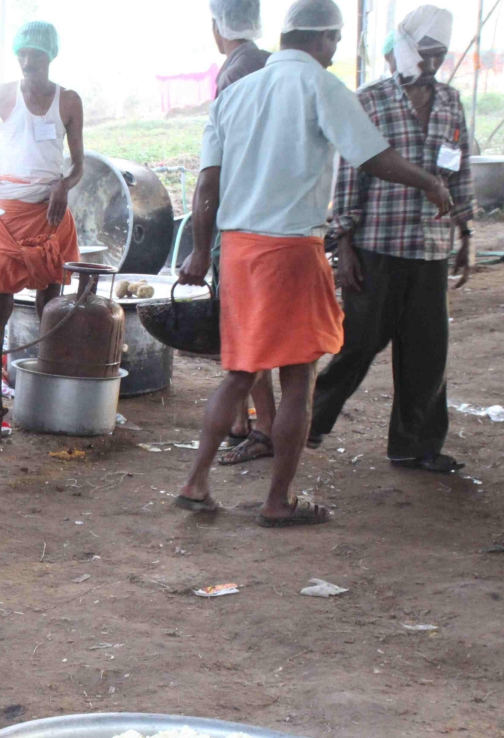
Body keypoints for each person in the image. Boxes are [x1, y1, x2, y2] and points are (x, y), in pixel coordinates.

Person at [174, 0, 452, 528]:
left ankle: (195, 483)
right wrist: (429, 183)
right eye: (335, 41)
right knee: (299, 378)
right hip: (290, 252)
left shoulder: (234, 94)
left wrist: (199, 249)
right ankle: (277, 501)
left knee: (239, 373)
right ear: (324, 39)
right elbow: (372, 157)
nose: (334, 50)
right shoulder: (321, 86)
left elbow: (207, 185)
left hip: (239, 251)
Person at [308, 6, 476, 475]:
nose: (432, 63)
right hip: (378, 244)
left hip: (431, 247)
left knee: (428, 351)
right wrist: (344, 246)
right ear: (404, 49)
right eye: (426, 52)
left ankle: (415, 445)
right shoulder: (370, 101)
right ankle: (306, 424)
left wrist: (465, 233)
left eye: (440, 54)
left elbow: (459, 170)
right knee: (358, 344)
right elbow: (350, 175)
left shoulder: (450, 102)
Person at [0, 21, 84, 388]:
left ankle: (51, 386)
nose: (27, 62)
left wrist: (63, 184)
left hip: (50, 213)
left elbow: (79, 166)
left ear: (50, 56)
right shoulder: (4, 95)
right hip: (8, 215)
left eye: (35, 55)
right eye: (21, 54)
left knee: (50, 304)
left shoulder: (69, 100)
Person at [205, 0, 279, 466]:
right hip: (272, 217)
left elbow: (218, 169)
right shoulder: (270, 63)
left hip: (243, 219)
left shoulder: (234, 75)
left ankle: (265, 427)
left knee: (247, 330)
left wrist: (200, 247)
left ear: (219, 26)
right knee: (251, 329)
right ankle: (241, 421)